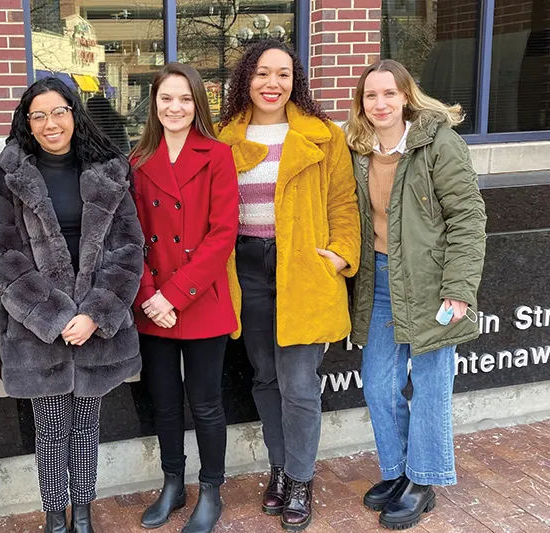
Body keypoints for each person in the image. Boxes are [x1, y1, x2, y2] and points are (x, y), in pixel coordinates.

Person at [0, 77, 144, 533]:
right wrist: (55, 316)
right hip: (39, 334)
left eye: (58, 112)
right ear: (27, 123)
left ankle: (85, 513)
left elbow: (128, 249)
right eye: (39, 115)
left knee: (87, 429)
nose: (50, 123)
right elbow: (3, 255)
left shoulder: (109, 170)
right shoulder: (10, 176)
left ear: (75, 113)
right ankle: (57, 517)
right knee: (50, 431)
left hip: (96, 327)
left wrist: (94, 314)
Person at [217, 40, 361, 531]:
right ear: (246, 80)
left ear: (294, 80)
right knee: (265, 378)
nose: (271, 84)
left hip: (302, 267)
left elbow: (344, 201)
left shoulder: (323, 135)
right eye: (261, 74)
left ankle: (301, 478)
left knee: (299, 383)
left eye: (282, 74)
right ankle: (278, 470)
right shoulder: (224, 137)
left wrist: (340, 253)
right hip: (247, 266)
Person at [344, 59, 486, 530]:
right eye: (370, 96)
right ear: (361, 103)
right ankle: (401, 470)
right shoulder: (358, 149)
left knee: (429, 385)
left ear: (407, 95)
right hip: (380, 281)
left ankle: (423, 481)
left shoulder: (439, 144)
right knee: (378, 383)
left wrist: (460, 288)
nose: (380, 103)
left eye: (389, 93)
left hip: (432, 284)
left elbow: (468, 218)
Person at [129, 63, 239, 533]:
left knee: (207, 402)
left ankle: (211, 488)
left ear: (198, 104)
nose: (175, 108)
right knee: (165, 401)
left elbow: (222, 235)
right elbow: (130, 237)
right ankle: (173, 483)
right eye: (166, 99)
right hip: (153, 302)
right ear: (154, 105)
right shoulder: (136, 160)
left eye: (185, 99)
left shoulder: (217, 155)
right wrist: (152, 295)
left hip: (201, 298)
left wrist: (174, 295)